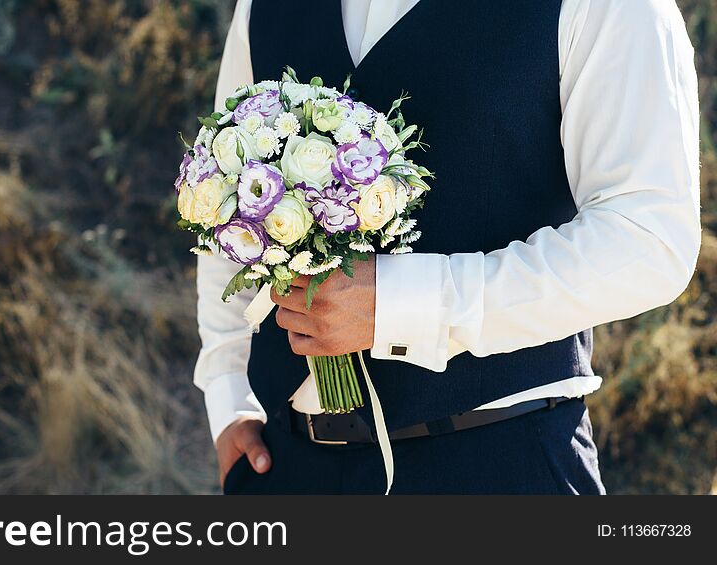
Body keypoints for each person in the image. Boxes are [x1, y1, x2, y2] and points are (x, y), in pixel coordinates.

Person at [195, 0, 701, 494]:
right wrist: (228, 395)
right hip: (286, 468)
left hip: (499, 468)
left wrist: (401, 304)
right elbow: (224, 197)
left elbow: (649, 237)